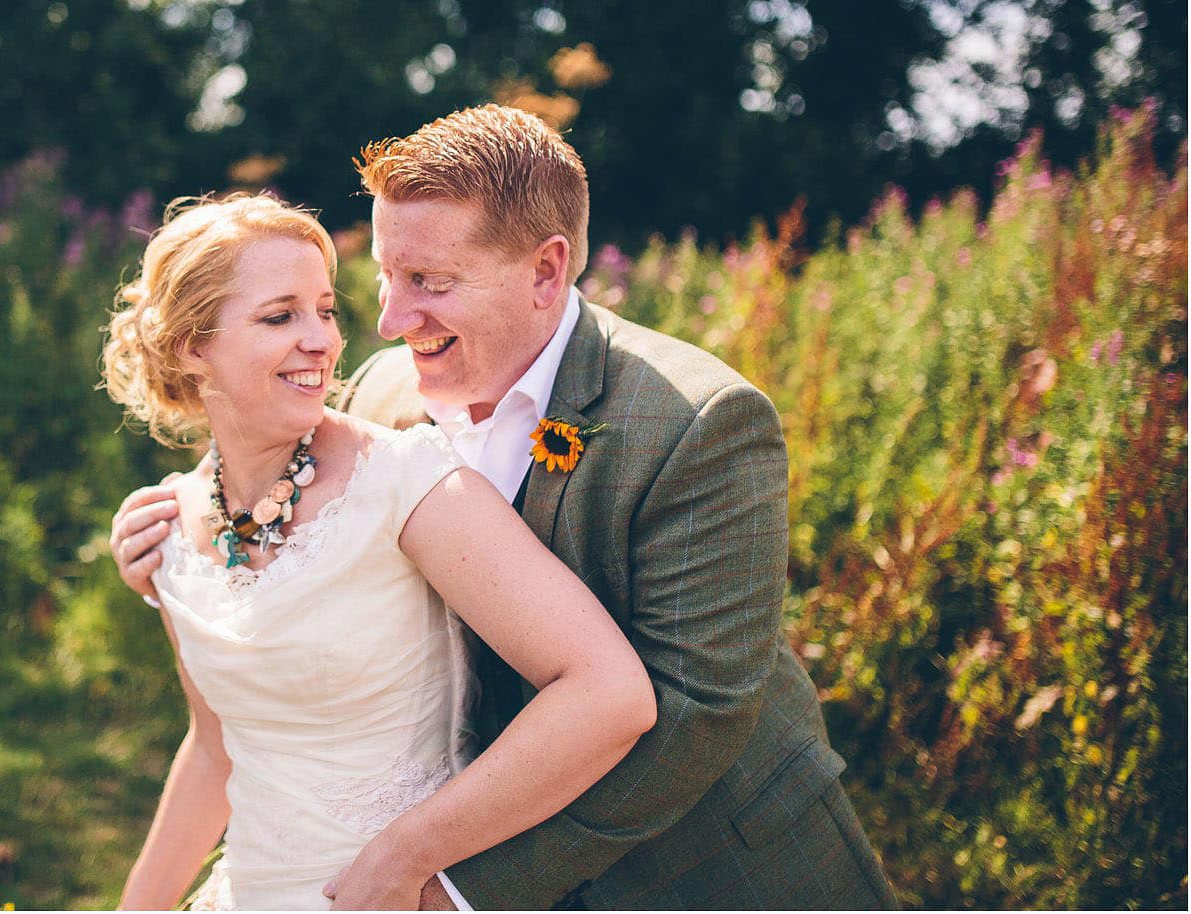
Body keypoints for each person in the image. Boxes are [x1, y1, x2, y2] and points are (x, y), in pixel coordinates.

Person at [110, 106, 897, 909]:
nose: (388, 320)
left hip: (709, 870)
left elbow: (693, 716)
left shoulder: (700, 424)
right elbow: (292, 509)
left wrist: (455, 886)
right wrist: (179, 547)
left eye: (430, 283)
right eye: (384, 277)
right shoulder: (384, 392)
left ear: (547, 272)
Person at [102, 193, 656, 911]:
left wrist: (404, 859)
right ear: (192, 347)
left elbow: (610, 694)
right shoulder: (170, 526)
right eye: (280, 316)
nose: (323, 342)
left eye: (325, 311)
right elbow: (215, 749)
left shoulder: (404, 480)